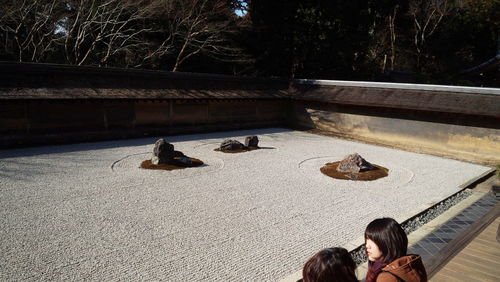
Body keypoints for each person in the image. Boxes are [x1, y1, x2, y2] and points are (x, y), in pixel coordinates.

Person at [365, 218, 428, 282]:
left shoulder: (385, 278)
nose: (367, 245)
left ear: (388, 244)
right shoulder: (413, 263)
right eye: (366, 239)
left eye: (373, 241)